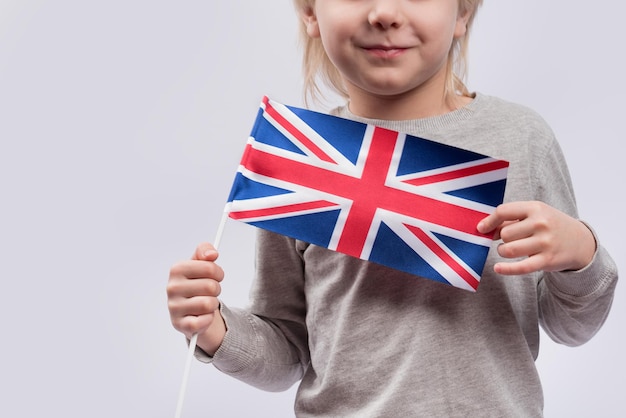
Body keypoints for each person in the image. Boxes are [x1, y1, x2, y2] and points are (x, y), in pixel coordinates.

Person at [167, 0, 619, 416]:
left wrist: (581, 253)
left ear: (461, 13)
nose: (384, 12)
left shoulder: (523, 141)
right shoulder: (300, 163)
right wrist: (214, 329)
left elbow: (570, 328)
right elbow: (288, 348)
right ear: (310, 12)